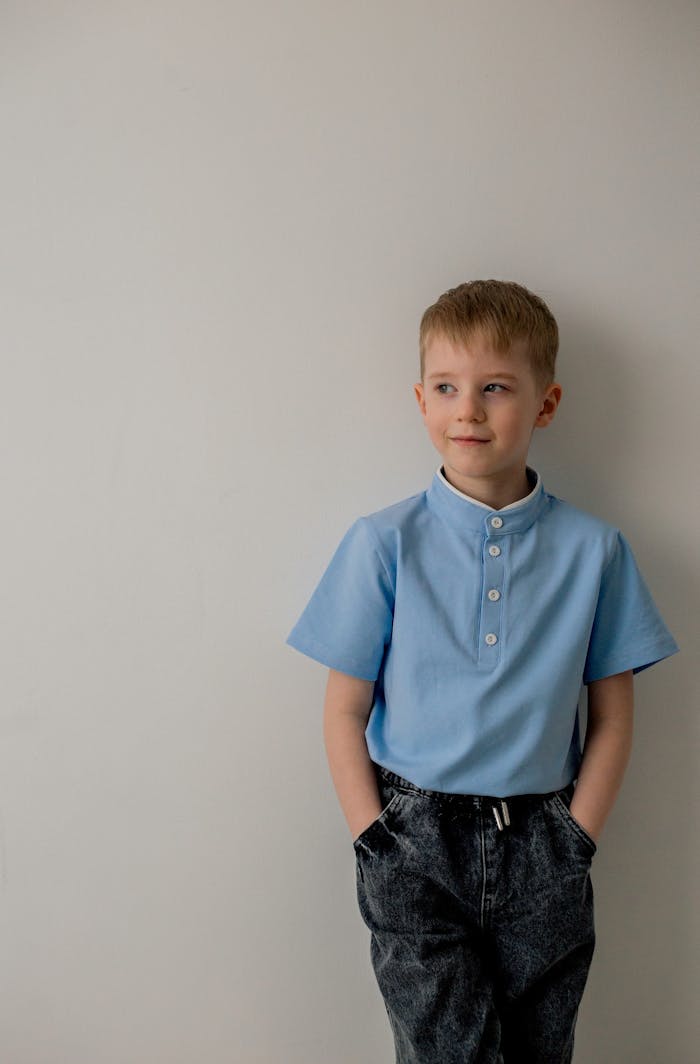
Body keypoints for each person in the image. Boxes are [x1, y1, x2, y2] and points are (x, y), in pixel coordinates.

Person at [285, 279, 679, 1063]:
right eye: (447, 388)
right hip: (414, 841)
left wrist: (575, 837)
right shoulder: (383, 543)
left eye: (496, 387)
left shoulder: (595, 552)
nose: (469, 409)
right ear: (422, 401)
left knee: (540, 1049)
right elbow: (342, 710)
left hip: (545, 841)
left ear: (546, 403)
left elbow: (614, 715)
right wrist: (374, 839)